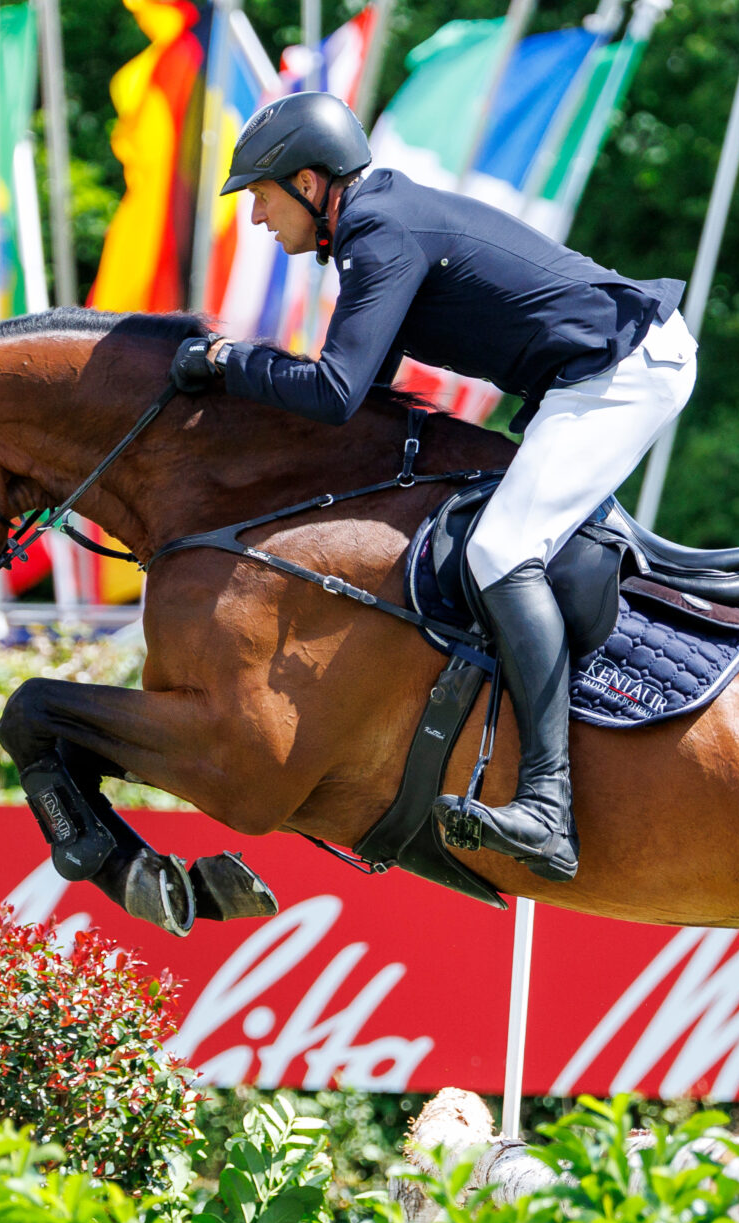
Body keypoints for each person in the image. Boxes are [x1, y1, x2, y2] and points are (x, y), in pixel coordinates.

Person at [168, 91, 696, 884]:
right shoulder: (373, 229)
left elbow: (335, 391)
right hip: (589, 376)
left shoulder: (380, 232)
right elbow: (360, 405)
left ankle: (549, 807)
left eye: (262, 196)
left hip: (622, 373)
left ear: (311, 184)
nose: (256, 219)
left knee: (499, 551)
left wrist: (222, 361)